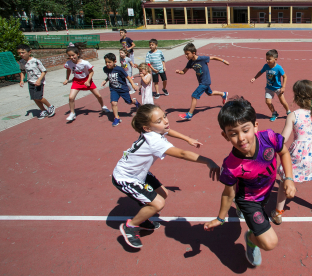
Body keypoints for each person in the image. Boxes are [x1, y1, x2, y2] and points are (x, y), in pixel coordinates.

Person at [204, 97, 296, 266]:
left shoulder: (269, 138)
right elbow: (228, 193)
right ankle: (251, 239)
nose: (241, 138)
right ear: (225, 136)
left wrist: (289, 178)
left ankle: (241, 213)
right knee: (270, 243)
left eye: (245, 130)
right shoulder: (231, 165)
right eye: (233, 133)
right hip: (249, 200)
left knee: (255, 209)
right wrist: (221, 218)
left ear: (255, 126)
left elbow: (284, 152)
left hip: (265, 192)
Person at [113, 104, 221, 248]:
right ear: (147, 128)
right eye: (159, 121)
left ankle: (143, 218)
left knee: (163, 194)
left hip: (140, 173)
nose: (165, 121)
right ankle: (131, 226)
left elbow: (167, 131)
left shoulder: (154, 131)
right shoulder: (155, 141)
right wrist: (207, 161)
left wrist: (187, 139)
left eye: (164, 116)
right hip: (125, 177)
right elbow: (182, 154)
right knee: (158, 203)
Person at [275, 80, 312, 225]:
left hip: (298, 156)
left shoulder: (293, 115)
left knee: (285, 180)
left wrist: (272, 143)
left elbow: (283, 139)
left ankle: (278, 213)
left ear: (296, 98)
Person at [175, 43, 229, 120]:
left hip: (205, 81)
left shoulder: (202, 58)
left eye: (187, 54)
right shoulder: (190, 62)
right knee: (209, 93)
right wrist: (179, 72)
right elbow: (184, 71)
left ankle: (189, 114)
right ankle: (223, 94)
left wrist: (223, 61)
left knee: (194, 96)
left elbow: (213, 57)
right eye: (185, 54)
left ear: (193, 53)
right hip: (201, 81)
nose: (186, 56)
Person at [63, 43, 110, 121]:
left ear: (77, 54)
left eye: (73, 55)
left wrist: (88, 81)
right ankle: (72, 113)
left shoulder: (85, 63)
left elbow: (91, 72)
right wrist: (67, 79)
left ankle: (103, 107)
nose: (71, 57)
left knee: (98, 96)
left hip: (87, 81)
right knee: (71, 97)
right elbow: (68, 70)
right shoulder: (69, 63)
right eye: (69, 56)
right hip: (77, 82)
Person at [250, 49, 290, 121]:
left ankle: (288, 112)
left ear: (275, 59)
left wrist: (283, 87)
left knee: (283, 102)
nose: (267, 61)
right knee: (268, 102)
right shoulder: (266, 66)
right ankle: (274, 113)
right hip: (269, 88)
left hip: (278, 88)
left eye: (269, 59)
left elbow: (285, 76)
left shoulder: (278, 68)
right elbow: (261, 72)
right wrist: (254, 78)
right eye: (266, 59)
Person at [101, 53, 140, 127]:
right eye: (106, 62)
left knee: (129, 102)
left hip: (123, 89)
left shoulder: (119, 69)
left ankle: (135, 101)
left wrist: (133, 84)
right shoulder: (105, 69)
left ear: (114, 61)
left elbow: (128, 77)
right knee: (113, 103)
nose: (107, 64)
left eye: (109, 62)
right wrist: (105, 81)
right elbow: (109, 76)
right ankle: (116, 118)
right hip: (114, 89)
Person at [17, 44, 55, 120]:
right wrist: (21, 80)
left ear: (29, 52)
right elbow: (22, 71)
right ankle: (43, 110)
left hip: (38, 82)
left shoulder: (36, 61)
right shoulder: (21, 62)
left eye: (23, 52)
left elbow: (44, 71)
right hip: (30, 82)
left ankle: (50, 107)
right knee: (34, 98)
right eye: (19, 53)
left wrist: (39, 80)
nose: (21, 54)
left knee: (39, 97)